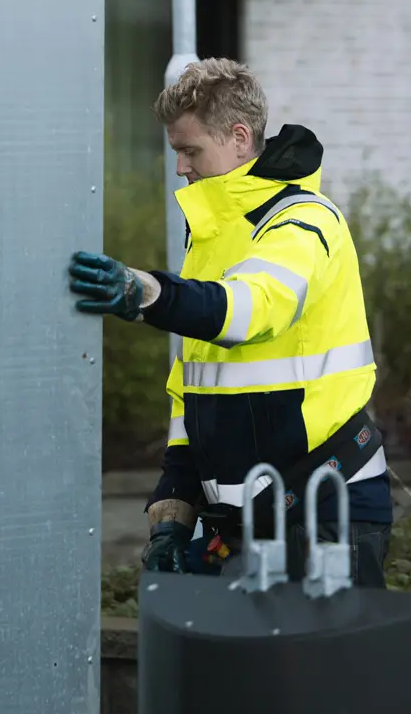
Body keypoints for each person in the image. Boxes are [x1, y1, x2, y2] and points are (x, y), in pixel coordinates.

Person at [69, 58, 393, 587]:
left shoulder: (303, 221)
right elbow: (192, 386)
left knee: (323, 672)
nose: (180, 167)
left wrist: (145, 292)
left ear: (240, 138)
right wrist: (175, 509)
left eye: (189, 150)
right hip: (248, 520)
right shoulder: (214, 236)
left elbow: (249, 309)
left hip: (328, 509)